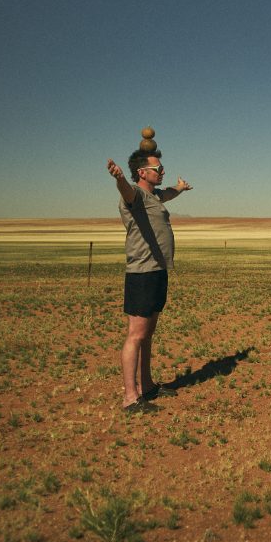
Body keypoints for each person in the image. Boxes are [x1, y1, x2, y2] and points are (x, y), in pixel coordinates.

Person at [106, 148, 192, 413]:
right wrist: (119, 178)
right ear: (142, 173)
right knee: (136, 334)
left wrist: (179, 188)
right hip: (142, 273)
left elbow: (169, 194)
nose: (162, 171)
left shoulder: (156, 196)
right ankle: (130, 398)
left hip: (158, 271)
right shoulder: (136, 195)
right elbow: (126, 192)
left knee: (148, 334)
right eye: (158, 169)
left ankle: (147, 385)